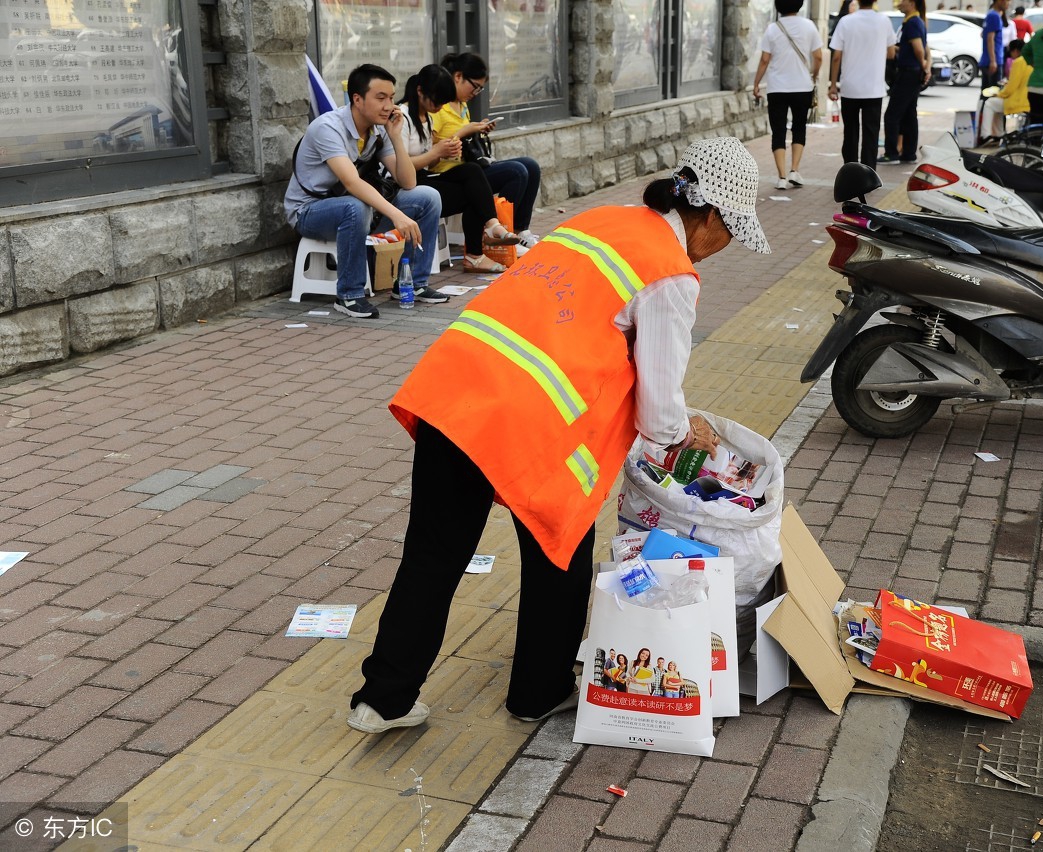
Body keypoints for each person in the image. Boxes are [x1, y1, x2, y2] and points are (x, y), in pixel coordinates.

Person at [346, 137, 770, 732]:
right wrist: (683, 433)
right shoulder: (670, 273)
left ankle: (382, 699)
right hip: (528, 419)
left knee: (432, 555)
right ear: (711, 216)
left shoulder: (604, 219)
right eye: (731, 232)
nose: (724, 248)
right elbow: (660, 411)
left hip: (457, 384)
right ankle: (538, 691)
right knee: (558, 547)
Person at [285, 64, 443, 319]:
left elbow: (408, 182)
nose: (389, 106)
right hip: (310, 212)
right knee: (354, 205)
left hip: (358, 210)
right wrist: (398, 216)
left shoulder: (378, 129)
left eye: (391, 98)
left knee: (427, 197)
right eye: (380, 98)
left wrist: (396, 138)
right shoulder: (328, 128)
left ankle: (413, 282)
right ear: (357, 99)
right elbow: (351, 183)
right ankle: (348, 295)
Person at [397, 65, 520, 275]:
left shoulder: (425, 117)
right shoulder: (401, 117)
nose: (438, 108)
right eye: (437, 102)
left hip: (424, 177)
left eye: (442, 103)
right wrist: (436, 152)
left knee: (472, 172)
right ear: (420, 91)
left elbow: (430, 164)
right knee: (475, 191)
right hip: (407, 186)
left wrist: (445, 152)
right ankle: (476, 253)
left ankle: (490, 228)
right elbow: (401, 170)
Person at [431, 53, 542, 256]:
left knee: (531, 165)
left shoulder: (462, 105)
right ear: (458, 77)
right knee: (516, 172)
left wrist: (478, 129)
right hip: (450, 174)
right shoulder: (438, 107)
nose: (477, 93)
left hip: (471, 168)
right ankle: (500, 233)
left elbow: (464, 141)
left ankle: (520, 231)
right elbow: (430, 149)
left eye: (481, 89)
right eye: (475, 86)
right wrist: (464, 132)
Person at [752, 0, 824, 189]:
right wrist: (814, 75)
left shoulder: (772, 29)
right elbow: (818, 56)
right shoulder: (809, 26)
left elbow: (764, 60)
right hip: (802, 86)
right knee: (799, 127)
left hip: (777, 88)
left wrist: (757, 83)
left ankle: (782, 177)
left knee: (779, 130)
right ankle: (794, 170)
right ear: (799, 5)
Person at [828, 0, 897, 169]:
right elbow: (891, 53)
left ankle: (850, 170)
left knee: (850, 132)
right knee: (871, 133)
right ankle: (868, 173)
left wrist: (832, 84)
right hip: (874, 88)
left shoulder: (846, 21)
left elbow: (836, 56)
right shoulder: (884, 21)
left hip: (850, 87)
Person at [881, 0, 931, 164]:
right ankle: (909, 153)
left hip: (908, 73)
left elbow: (919, 48)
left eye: (902, 1)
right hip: (912, 73)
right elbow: (918, 48)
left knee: (892, 115)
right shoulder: (915, 21)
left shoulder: (912, 23)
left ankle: (891, 153)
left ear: (911, 3)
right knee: (909, 114)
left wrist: (923, 66)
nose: (899, 3)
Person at [980, 39, 1029, 137]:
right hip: (1028, 100)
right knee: (995, 104)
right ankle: (998, 134)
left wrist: (999, 94)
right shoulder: (1032, 61)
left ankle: (986, 134)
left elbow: (1011, 87)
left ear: (1015, 51)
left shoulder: (1019, 62)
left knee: (989, 103)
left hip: (1019, 101)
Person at [981, 0, 1011, 88]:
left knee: (986, 93)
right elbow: (990, 38)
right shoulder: (994, 16)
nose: (1008, 4)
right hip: (994, 60)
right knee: (994, 93)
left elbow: (983, 34)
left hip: (987, 59)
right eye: (1007, 1)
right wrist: (993, 61)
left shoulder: (990, 14)